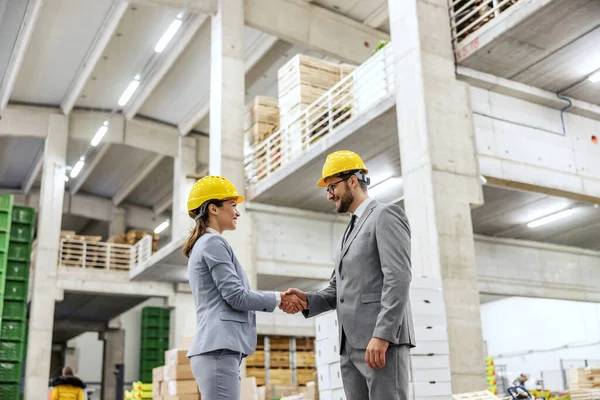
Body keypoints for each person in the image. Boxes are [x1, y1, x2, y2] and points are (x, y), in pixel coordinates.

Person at [281, 150, 415, 400]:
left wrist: (382, 334)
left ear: (353, 180)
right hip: (350, 346)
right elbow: (337, 289)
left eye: (332, 186)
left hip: (379, 342)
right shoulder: (349, 231)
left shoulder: (385, 215)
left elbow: (398, 278)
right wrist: (307, 299)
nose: (329, 194)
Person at [184, 176, 307, 400]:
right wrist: (280, 298)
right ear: (213, 208)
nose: (237, 212)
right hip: (218, 351)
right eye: (232, 205)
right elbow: (236, 297)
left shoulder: (205, 243)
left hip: (218, 351)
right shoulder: (213, 243)